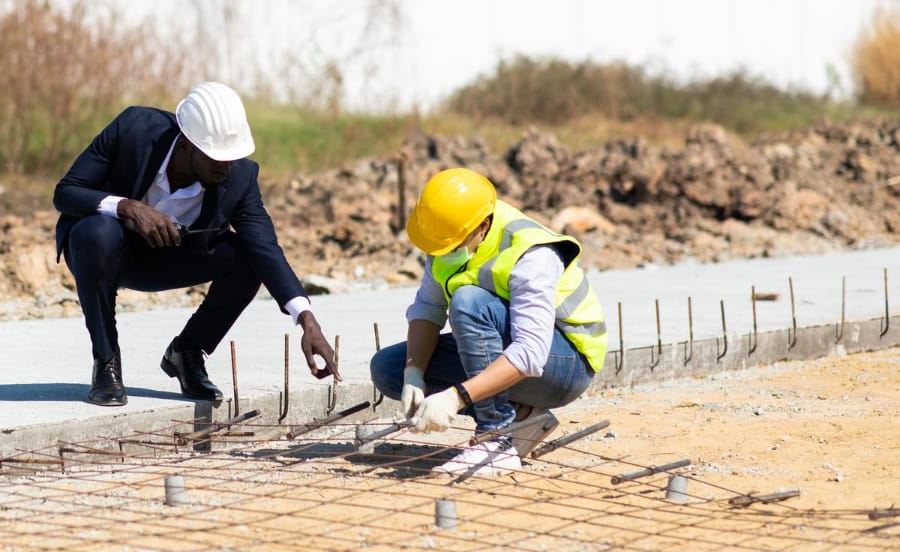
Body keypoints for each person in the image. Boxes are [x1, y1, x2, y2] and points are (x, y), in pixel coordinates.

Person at [53, 82, 340, 406]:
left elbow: (265, 247)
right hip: (106, 253)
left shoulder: (239, 177)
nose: (226, 166)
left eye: (232, 157)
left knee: (248, 258)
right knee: (95, 231)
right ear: (187, 142)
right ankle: (106, 361)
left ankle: (187, 353)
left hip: (175, 260)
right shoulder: (133, 129)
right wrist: (127, 207)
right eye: (216, 157)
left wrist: (306, 319)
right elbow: (66, 192)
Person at [370, 168, 607, 476]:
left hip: (563, 364)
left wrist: (455, 398)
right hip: (512, 349)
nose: (443, 254)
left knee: (469, 301)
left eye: (452, 246)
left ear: (482, 227)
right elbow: (428, 308)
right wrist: (414, 372)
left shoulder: (531, 253)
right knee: (389, 369)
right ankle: (524, 417)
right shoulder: (449, 238)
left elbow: (530, 353)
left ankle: (495, 438)